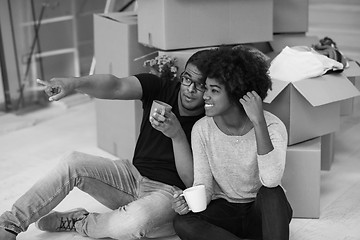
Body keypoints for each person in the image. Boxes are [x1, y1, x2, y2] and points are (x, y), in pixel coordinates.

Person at [0, 49, 212, 240]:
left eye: (200, 85)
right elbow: (115, 85)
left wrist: (176, 135)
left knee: (136, 222)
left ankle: (79, 221)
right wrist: (73, 83)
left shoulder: (209, 120)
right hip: (132, 175)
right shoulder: (161, 87)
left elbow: (192, 181)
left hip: (170, 194)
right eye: (187, 79)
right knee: (73, 162)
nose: (190, 89)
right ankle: (9, 225)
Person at [172, 46, 293, 240]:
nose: (205, 96)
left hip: (261, 212)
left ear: (237, 94)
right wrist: (187, 203)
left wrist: (258, 122)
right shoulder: (202, 129)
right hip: (224, 212)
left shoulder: (272, 126)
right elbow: (204, 185)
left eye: (214, 90)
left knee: (273, 194)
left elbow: (270, 181)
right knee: (183, 222)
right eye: (207, 88)